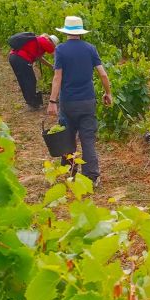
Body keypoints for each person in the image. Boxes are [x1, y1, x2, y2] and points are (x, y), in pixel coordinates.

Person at [46, 16, 112, 187]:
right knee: (87, 139)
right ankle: (92, 177)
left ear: (66, 31)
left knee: (67, 138)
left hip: (68, 102)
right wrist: (107, 93)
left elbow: (57, 77)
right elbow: (103, 74)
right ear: (80, 32)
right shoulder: (90, 48)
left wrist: (52, 101)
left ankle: (69, 172)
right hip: (87, 101)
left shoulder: (60, 50)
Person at [8, 32, 57, 110]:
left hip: (13, 58)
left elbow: (39, 58)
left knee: (24, 81)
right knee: (30, 80)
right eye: (53, 45)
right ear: (51, 41)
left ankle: (31, 102)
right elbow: (57, 55)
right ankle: (33, 103)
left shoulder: (36, 42)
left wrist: (51, 66)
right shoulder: (45, 41)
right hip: (21, 58)